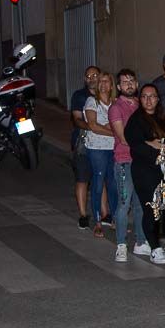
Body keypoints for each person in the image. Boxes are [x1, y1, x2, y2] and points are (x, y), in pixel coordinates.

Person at [125, 84, 165, 265]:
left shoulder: (164, 120)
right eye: (144, 96)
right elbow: (135, 145)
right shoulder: (136, 121)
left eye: (152, 96)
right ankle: (154, 248)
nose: (148, 100)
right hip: (146, 171)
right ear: (140, 99)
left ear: (158, 99)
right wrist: (154, 147)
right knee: (152, 210)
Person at [109, 69, 150, 262]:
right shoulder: (116, 108)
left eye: (132, 81)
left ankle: (141, 242)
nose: (129, 84)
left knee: (141, 204)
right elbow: (123, 137)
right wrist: (149, 145)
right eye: (124, 82)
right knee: (124, 204)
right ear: (118, 87)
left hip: (142, 162)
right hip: (125, 161)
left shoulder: (141, 106)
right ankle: (121, 244)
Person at [83, 72, 118, 238]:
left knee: (113, 184)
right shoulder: (92, 101)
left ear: (112, 85)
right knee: (98, 183)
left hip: (114, 149)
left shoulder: (115, 104)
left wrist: (110, 128)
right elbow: (93, 126)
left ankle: (116, 220)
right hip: (97, 148)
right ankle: (97, 222)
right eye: (101, 81)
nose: (103, 84)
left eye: (107, 81)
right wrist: (114, 131)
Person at [70, 65, 100, 229]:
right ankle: (83, 215)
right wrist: (92, 126)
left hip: (103, 143)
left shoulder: (106, 95)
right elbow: (77, 119)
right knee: (82, 179)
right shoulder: (79, 96)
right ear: (85, 79)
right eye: (88, 76)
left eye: (95, 75)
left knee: (100, 179)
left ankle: (104, 213)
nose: (92, 78)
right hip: (83, 143)